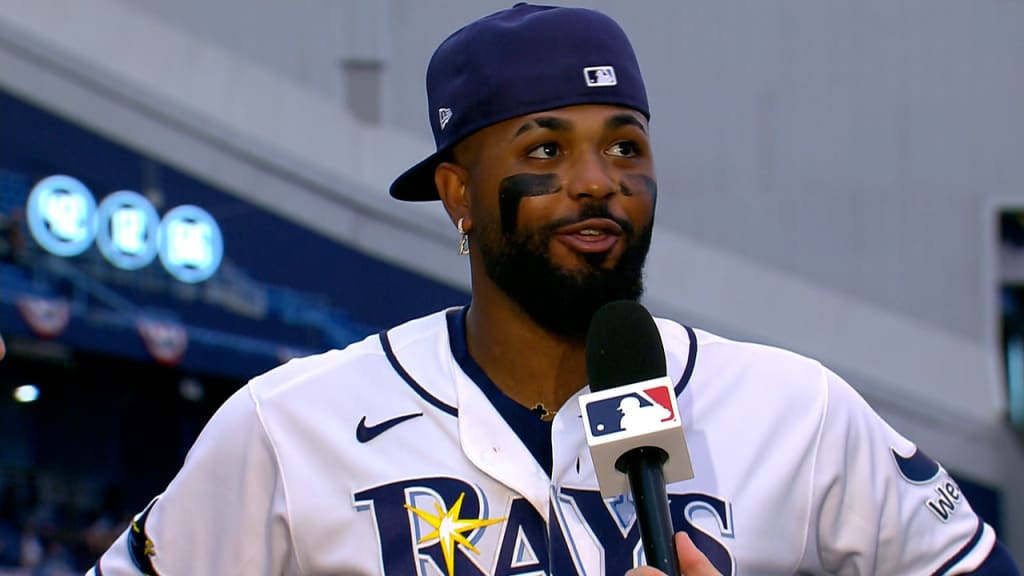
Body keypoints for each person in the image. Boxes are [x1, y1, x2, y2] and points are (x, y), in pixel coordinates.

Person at [89, 4, 1019, 575]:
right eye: (544, 149)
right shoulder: (290, 427)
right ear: (456, 191)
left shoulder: (797, 412)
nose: (596, 179)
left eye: (625, 145)